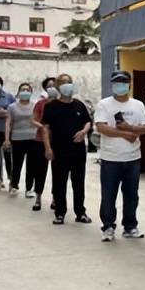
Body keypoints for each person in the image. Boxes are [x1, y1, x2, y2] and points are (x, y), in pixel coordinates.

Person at [93, 70, 145, 242]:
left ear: (129, 84)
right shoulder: (104, 105)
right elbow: (101, 127)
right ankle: (108, 226)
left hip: (133, 158)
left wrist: (130, 128)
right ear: (112, 84)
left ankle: (130, 226)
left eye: (124, 82)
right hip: (111, 159)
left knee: (132, 195)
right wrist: (125, 134)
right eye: (117, 82)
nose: (121, 85)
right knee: (109, 195)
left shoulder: (138, 105)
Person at [42, 73, 92, 225]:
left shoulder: (79, 105)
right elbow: (45, 128)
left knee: (79, 182)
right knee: (59, 182)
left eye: (69, 82)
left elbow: (88, 122)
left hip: (77, 151)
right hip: (58, 150)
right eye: (63, 82)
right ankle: (60, 213)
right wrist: (48, 148)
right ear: (58, 87)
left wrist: (84, 132)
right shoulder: (51, 106)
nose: (67, 85)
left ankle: (80, 212)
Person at [5, 82, 39, 196]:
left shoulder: (35, 105)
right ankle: (14, 185)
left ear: (31, 92)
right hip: (17, 138)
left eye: (27, 90)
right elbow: (8, 123)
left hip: (33, 138)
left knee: (32, 165)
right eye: (23, 89)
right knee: (17, 163)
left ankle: (29, 188)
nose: (25, 92)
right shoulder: (12, 107)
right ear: (19, 92)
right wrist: (6, 139)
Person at [29, 77, 57, 211]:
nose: (52, 88)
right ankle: (38, 197)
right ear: (46, 89)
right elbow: (33, 120)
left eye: (55, 85)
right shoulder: (40, 104)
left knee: (58, 171)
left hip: (58, 141)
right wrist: (43, 126)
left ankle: (55, 197)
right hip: (40, 140)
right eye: (49, 86)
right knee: (40, 170)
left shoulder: (62, 103)